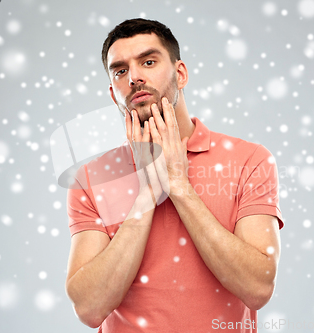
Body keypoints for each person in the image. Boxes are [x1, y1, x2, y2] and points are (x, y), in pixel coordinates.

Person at [65, 18, 284, 332]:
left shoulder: (250, 160)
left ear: (180, 74)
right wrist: (146, 194)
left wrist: (180, 186)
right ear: (114, 93)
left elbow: (257, 288)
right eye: (120, 71)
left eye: (149, 62)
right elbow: (89, 308)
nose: (134, 77)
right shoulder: (91, 178)